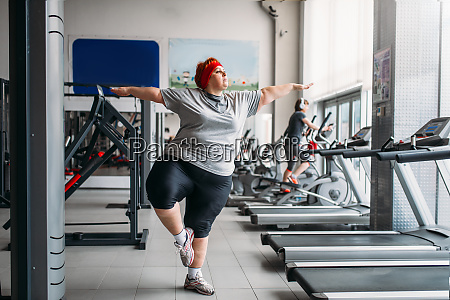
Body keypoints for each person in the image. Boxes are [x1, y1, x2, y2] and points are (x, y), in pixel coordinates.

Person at [111, 57, 313, 296]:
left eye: (225, 71)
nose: (225, 75)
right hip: (181, 162)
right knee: (159, 189)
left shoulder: (239, 100)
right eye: (219, 71)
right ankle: (181, 238)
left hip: (218, 176)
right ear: (206, 78)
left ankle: (194, 278)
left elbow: (268, 92)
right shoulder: (188, 96)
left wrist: (293, 86)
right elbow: (155, 93)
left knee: (201, 227)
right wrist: (127, 91)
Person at [282, 98, 332, 189]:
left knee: (290, 166)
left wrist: (305, 134)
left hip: (288, 143)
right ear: (301, 106)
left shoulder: (294, 116)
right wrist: (324, 128)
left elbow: (295, 130)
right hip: (294, 143)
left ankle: (284, 187)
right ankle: (293, 177)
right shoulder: (300, 114)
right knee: (308, 160)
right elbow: (311, 125)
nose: (307, 107)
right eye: (306, 105)